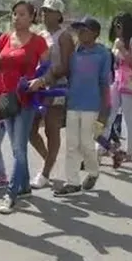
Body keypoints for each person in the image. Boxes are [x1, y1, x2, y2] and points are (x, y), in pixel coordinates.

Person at [32, 17, 111, 196]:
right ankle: (72, 182)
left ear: (96, 33)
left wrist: (105, 110)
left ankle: (93, 171)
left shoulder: (103, 54)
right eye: (79, 30)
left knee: (86, 143)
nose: (81, 33)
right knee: (72, 145)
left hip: (92, 105)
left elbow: (104, 83)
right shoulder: (75, 54)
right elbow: (64, 72)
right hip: (73, 103)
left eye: (85, 30)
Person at [0, 0, 48, 215]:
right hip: (6, 99)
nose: (17, 17)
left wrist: (40, 80)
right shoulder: (4, 38)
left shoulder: (38, 42)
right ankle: (25, 187)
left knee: (19, 149)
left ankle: (11, 195)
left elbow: (49, 68)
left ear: (31, 17)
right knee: (15, 148)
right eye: (14, 14)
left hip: (26, 99)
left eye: (22, 14)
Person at [29, 0, 73, 190]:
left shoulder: (64, 37)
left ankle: (45, 173)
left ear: (59, 15)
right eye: (44, 10)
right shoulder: (40, 34)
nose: (45, 13)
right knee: (31, 130)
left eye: (50, 11)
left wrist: (47, 78)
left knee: (51, 129)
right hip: (38, 86)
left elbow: (65, 66)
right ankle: (50, 160)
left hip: (57, 87)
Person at [99, 13, 132, 164]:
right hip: (117, 81)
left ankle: (130, 151)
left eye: (119, 25)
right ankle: (101, 147)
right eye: (114, 25)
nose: (116, 29)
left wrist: (124, 51)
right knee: (109, 115)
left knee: (128, 118)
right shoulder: (118, 41)